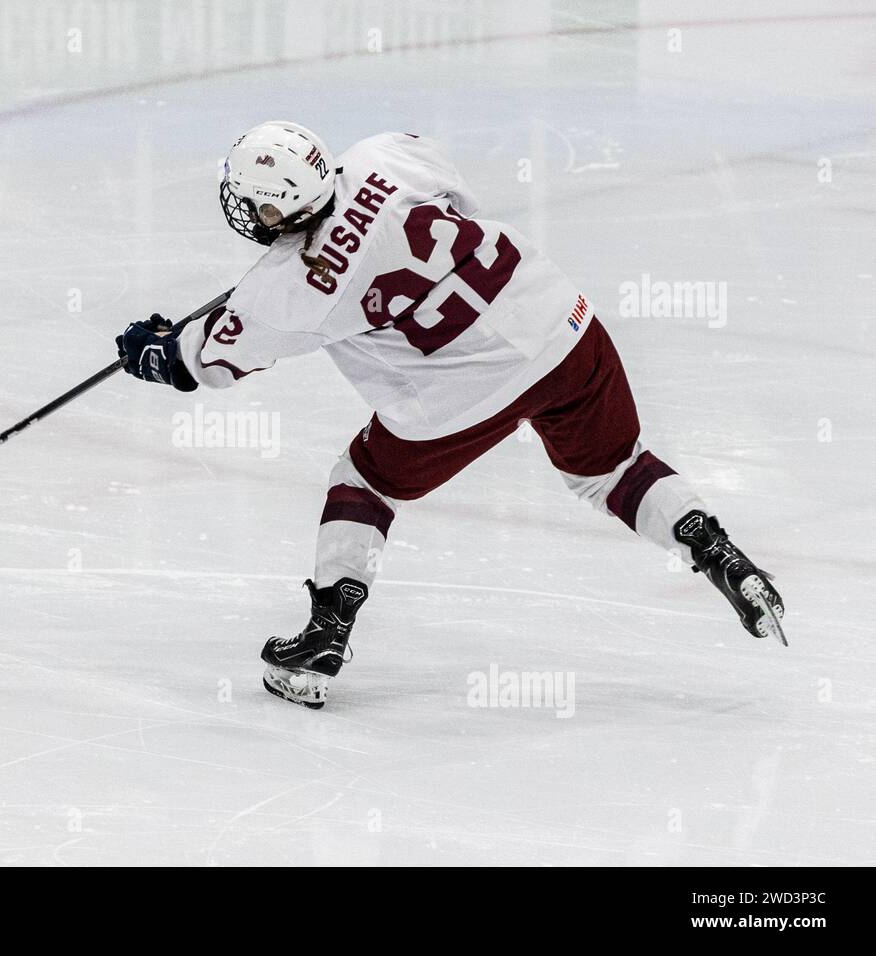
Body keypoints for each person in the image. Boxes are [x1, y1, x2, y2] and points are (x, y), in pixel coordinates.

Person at [116, 121, 785, 709]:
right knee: (615, 469)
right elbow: (458, 204)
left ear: (275, 205)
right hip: (557, 321)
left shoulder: (285, 290)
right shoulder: (385, 156)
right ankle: (716, 549)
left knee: (365, 479)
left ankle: (326, 637)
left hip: (457, 395)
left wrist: (152, 349)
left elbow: (200, 366)